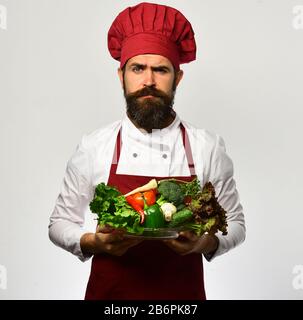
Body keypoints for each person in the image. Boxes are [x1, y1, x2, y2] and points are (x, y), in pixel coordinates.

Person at [49, 2, 245, 300]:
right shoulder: (94, 146)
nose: (148, 81)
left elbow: (236, 225)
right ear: (121, 75)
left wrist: (203, 243)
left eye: (161, 70)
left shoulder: (206, 146)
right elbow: (59, 223)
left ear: (177, 77)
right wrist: (93, 242)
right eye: (138, 68)